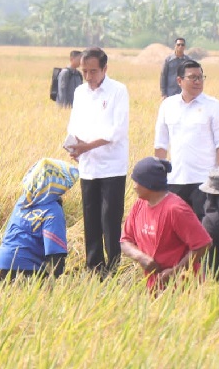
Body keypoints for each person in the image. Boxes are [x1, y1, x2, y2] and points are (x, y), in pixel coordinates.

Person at [66, 47, 129, 275]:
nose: (89, 76)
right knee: (90, 218)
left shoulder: (118, 91)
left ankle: (113, 267)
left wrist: (87, 146)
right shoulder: (81, 92)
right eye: (85, 71)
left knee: (110, 218)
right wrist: (75, 145)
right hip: (88, 165)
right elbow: (74, 124)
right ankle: (93, 267)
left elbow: (117, 130)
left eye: (93, 71)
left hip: (112, 166)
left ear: (105, 69)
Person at [121, 157, 212, 291]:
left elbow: (203, 244)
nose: (134, 186)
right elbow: (125, 241)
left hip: (184, 287)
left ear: (149, 185)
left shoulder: (175, 209)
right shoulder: (139, 204)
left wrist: (175, 271)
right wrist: (141, 258)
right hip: (155, 286)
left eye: (137, 181)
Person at [155, 59, 219, 220]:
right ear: (179, 81)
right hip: (175, 180)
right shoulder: (168, 106)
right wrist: (159, 177)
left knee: (206, 230)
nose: (198, 81)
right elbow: (161, 144)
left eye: (200, 77)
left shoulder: (214, 106)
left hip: (205, 181)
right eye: (193, 77)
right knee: (177, 229)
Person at [0, 158, 80, 280]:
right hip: (26, 268)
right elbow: (55, 254)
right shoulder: (52, 211)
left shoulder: (22, 202)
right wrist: (56, 283)